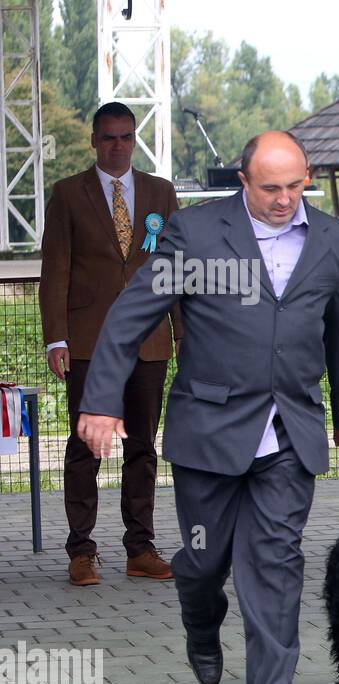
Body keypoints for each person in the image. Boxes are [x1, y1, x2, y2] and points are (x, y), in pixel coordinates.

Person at [77, 131, 339, 684]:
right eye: (271, 188)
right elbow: (132, 315)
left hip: (290, 429)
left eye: (295, 186)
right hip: (209, 429)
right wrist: (101, 402)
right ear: (244, 181)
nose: (285, 199)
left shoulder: (334, 240)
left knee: (274, 561)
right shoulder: (198, 234)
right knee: (207, 560)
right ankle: (200, 615)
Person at [39, 102, 183, 586]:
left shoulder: (162, 194)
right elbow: (55, 270)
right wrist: (55, 338)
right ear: (94, 140)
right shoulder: (67, 194)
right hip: (87, 342)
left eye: (125, 137)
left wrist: (184, 336)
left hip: (148, 341)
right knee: (86, 446)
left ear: (135, 138)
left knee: (142, 447)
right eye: (108, 137)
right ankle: (81, 551)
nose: (117, 145)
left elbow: (176, 269)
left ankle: (140, 548)